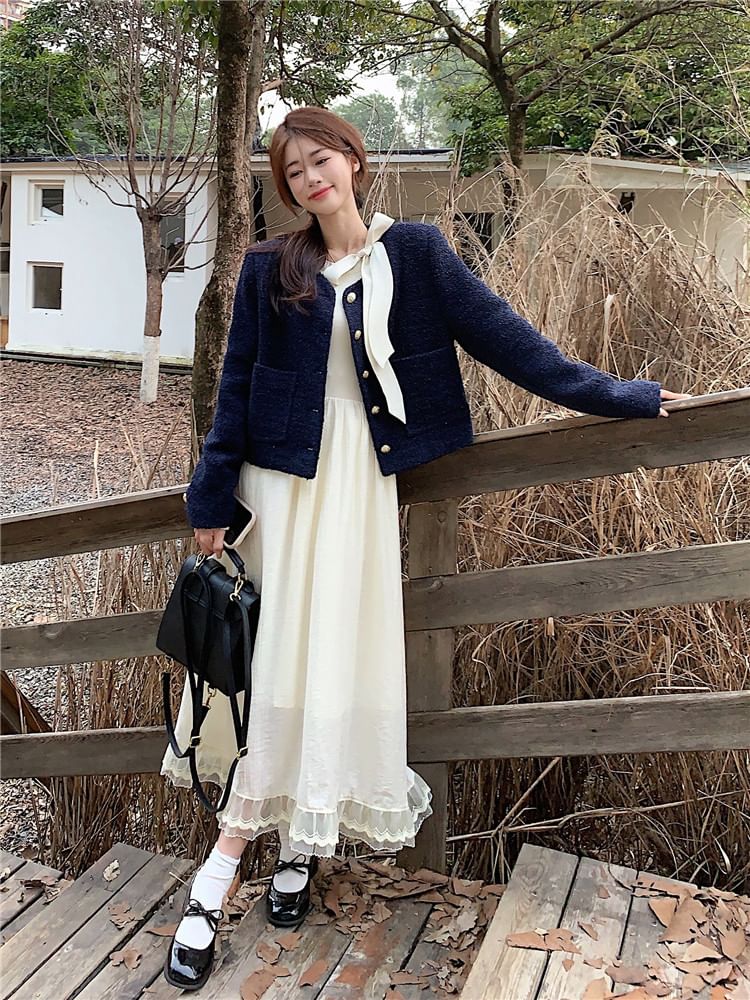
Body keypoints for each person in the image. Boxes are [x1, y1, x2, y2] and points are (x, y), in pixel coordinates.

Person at [162, 106, 691, 990]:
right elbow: (237, 385)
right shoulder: (269, 266)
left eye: (320, 160)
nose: (309, 179)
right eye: (292, 172)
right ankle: (217, 877)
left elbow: (511, 341)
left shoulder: (416, 253)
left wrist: (620, 395)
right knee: (274, 662)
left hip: (358, 495)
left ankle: (299, 845)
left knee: (331, 660)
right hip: (281, 489)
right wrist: (210, 496)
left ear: (353, 159)